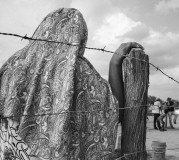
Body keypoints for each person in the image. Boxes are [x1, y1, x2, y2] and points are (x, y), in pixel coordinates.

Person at [0, 8, 144, 159]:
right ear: (80, 35)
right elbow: (112, 112)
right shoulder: (76, 69)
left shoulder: (14, 63)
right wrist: (115, 62)